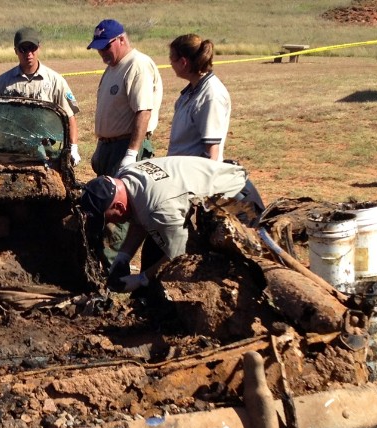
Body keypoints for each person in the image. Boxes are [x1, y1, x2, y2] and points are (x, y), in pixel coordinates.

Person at [78, 156, 262, 293]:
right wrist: (123, 256)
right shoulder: (125, 177)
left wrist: (141, 280)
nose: (110, 222)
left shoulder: (159, 208)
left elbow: (178, 255)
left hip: (236, 201)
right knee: (154, 251)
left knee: (231, 270)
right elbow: (139, 219)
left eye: (108, 217)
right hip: (205, 196)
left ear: (118, 205)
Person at [0, 27, 82, 165]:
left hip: (45, 149)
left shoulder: (55, 81)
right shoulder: (3, 82)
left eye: (32, 48)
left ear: (39, 48)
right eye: (23, 49)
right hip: (9, 149)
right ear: (16, 51)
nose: (28, 54)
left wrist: (73, 148)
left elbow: (69, 116)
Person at [87, 19, 163, 178]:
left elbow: (143, 112)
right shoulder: (113, 67)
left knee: (122, 201)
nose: (102, 52)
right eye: (98, 48)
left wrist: (131, 153)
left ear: (121, 40)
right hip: (109, 148)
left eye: (106, 46)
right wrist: (102, 145)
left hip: (125, 146)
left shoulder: (137, 65)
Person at [167, 34, 231, 162]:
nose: (170, 63)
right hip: (180, 172)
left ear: (183, 62)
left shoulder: (211, 96)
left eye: (172, 58)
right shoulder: (191, 91)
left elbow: (212, 152)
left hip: (194, 177)